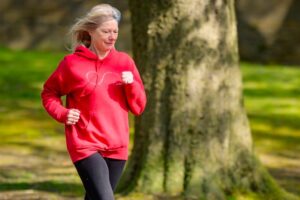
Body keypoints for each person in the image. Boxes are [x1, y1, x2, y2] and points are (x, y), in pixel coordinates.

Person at [41, 4, 146, 200]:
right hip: (85, 143)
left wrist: (131, 85)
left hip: (117, 145)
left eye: (115, 31)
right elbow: (49, 93)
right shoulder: (71, 64)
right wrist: (62, 113)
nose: (112, 36)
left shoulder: (125, 62)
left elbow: (138, 107)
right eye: (106, 31)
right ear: (91, 31)